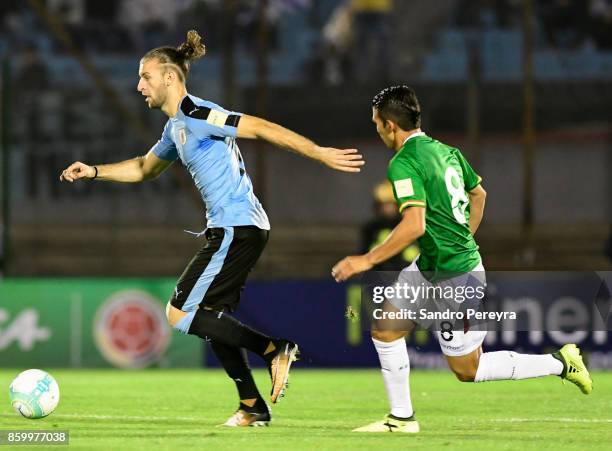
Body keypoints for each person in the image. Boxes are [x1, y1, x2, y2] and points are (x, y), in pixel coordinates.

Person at [60, 30, 364, 427]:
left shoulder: (199, 114)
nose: (139, 86)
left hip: (238, 226)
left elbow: (258, 127)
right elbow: (143, 167)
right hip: (237, 228)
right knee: (211, 317)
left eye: (145, 77)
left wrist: (317, 152)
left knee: (179, 312)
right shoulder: (175, 129)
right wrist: (94, 171)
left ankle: (274, 348)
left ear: (170, 78)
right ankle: (252, 405)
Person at [331, 85, 592, 433]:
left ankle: (561, 362)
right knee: (385, 329)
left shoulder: (404, 162)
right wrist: (462, 235)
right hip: (430, 267)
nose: (377, 131)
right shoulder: (446, 152)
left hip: (458, 277)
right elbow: (478, 193)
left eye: (377, 124)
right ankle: (401, 419)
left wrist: (366, 260)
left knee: (468, 370)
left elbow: (413, 225)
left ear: (390, 126)